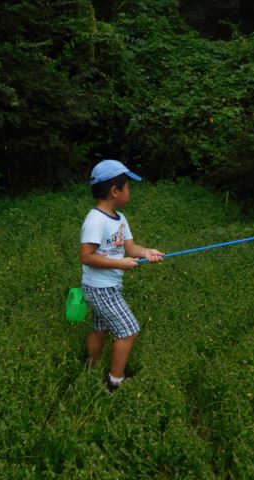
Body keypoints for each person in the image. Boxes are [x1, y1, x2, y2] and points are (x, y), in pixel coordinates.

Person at [80, 159, 164, 392]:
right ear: (114, 191)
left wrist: (147, 252)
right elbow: (86, 256)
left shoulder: (120, 219)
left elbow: (130, 248)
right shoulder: (95, 220)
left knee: (100, 327)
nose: (130, 192)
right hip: (99, 287)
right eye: (128, 187)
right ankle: (114, 383)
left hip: (108, 286)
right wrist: (119, 264)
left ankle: (92, 369)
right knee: (128, 330)